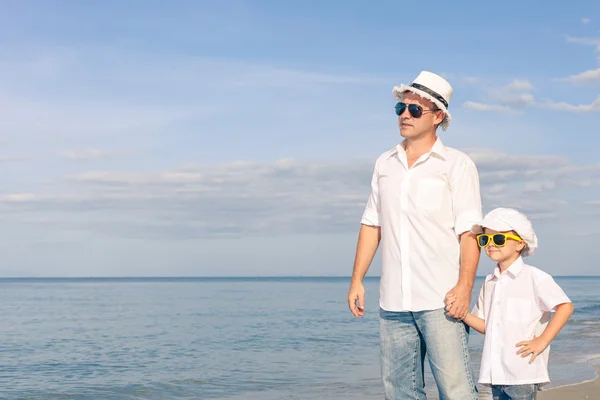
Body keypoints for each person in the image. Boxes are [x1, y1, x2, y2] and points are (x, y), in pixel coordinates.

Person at [347, 71, 482, 400]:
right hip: (393, 302)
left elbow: (470, 232)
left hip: (441, 301)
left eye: (415, 110)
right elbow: (371, 224)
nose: (405, 115)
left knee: (457, 391)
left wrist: (465, 288)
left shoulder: (457, 165)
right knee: (399, 393)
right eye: (400, 108)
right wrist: (357, 280)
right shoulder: (384, 163)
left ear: (438, 116)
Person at [445, 207, 574, 400]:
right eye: (485, 239)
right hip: (495, 374)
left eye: (498, 238)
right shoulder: (489, 282)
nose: (490, 244)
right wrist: (462, 313)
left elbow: (565, 306)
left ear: (520, 244)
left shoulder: (534, 277)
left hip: (522, 373)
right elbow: (487, 326)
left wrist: (542, 341)